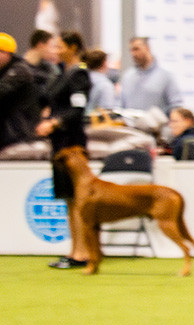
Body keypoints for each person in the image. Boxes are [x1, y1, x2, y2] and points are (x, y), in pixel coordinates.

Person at [36, 31, 90, 270]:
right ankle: (74, 251)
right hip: (59, 144)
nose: (56, 50)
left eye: (60, 47)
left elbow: (77, 110)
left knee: (77, 199)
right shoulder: (60, 73)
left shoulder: (79, 74)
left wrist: (55, 122)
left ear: (73, 47)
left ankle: (82, 253)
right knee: (68, 198)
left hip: (72, 144)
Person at [0, 32, 42, 154]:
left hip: (17, 130)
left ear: (6, 53)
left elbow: (2, 89)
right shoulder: (4, 69)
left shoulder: (20, 70)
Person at [119, 37, 184, 114]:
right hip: (130, 125)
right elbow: (121, 105)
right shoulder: (128, 76)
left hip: (157, 125)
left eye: (136, 49)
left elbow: (176, 105)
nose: (133, 54)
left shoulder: (165, 76)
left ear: (147, 48)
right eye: (131, 50)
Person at [23, 29, 59, 98]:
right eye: (52, 47)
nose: (55, 51)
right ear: (40, 45)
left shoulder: (52, 70)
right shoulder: (16, 67)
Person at [82, 48, 116, 113]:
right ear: (104, 63)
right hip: (95, 121)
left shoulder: (81, 79)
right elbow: (107, 110)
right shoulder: (105, 85)